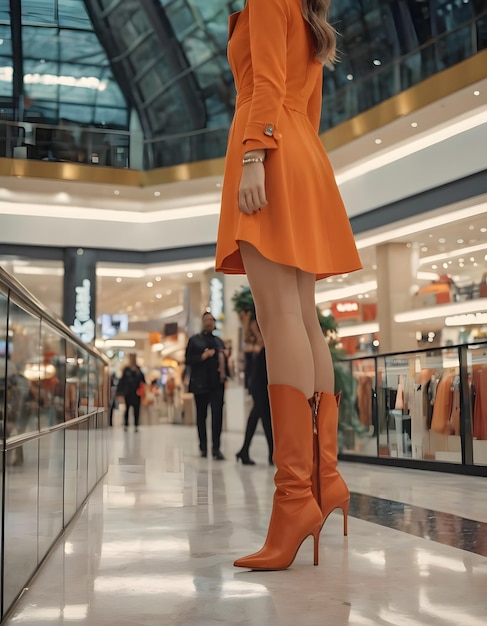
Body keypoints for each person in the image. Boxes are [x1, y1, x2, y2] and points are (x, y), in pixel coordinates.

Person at [215, 0, 362, 570]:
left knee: (281, 321)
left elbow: (268, 82)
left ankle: (295, 499)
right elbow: (308, 103)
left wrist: (254, 152)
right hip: (302, 153)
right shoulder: (304, 12)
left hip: (268, 149)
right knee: (302, 318)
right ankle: (323, 481)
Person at [185, 312, 229, 460]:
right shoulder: (195, 341)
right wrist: (202, 357)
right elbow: (188, 360)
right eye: (206, 320)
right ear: (203, 322)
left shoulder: (219, 342)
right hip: (200, 384)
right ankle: (203, 446)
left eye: (211, 320)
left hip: (217, 384)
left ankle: (216, 448)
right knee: (201, 416)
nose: (209, 322)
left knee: (217, 416)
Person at [235, 316, 273, 466]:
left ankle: (246, 450)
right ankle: (271, 453)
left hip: (263, 384)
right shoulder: (254, 344)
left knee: (262, 417)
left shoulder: (264, 341)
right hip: (258, 385)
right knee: (263, 417)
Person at [117, 353, 145, 432]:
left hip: (137, 393)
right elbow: (122, 381)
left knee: (136, 410)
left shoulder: (138, 370)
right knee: (127, 409)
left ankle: (136, 425)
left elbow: (143, 380)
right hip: (128, 393)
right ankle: (126, 424)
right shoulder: (126, 370)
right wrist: (120, 392)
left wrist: (137, 372)